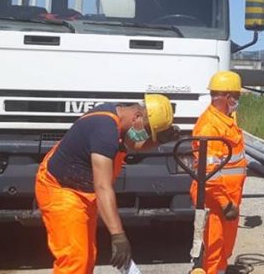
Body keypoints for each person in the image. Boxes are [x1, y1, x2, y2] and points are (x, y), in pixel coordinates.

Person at [35, 94, 177, 273]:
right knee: (75, 258)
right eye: (147, 130)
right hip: (61, 189)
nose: (145, 135)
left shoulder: (120, 116)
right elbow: (102, 187)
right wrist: (118, 236)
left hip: (81, 189)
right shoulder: (105, 130)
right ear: (137, 117)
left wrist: (158, 140)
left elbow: (133, 144)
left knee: (87, 256)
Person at [190, 71, 247, 274]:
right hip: (215, 201)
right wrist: (225, 203)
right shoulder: (209, 127)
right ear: (227, 97)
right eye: (236, 97)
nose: (237, 101)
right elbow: (208, 173)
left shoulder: (225, 120)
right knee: (213, 249)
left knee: (223, 249)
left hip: (228, 200)